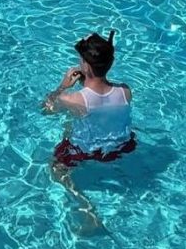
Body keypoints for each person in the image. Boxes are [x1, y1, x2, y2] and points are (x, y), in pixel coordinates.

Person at [42, 30, 135, 229]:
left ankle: (86, 208)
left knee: (55, 168)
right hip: (121, 146)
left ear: (86, 67)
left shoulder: (73, 100)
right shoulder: (125, 91)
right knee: (75, 123)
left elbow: (47, 109)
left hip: (86, 152)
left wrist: (63, 85)